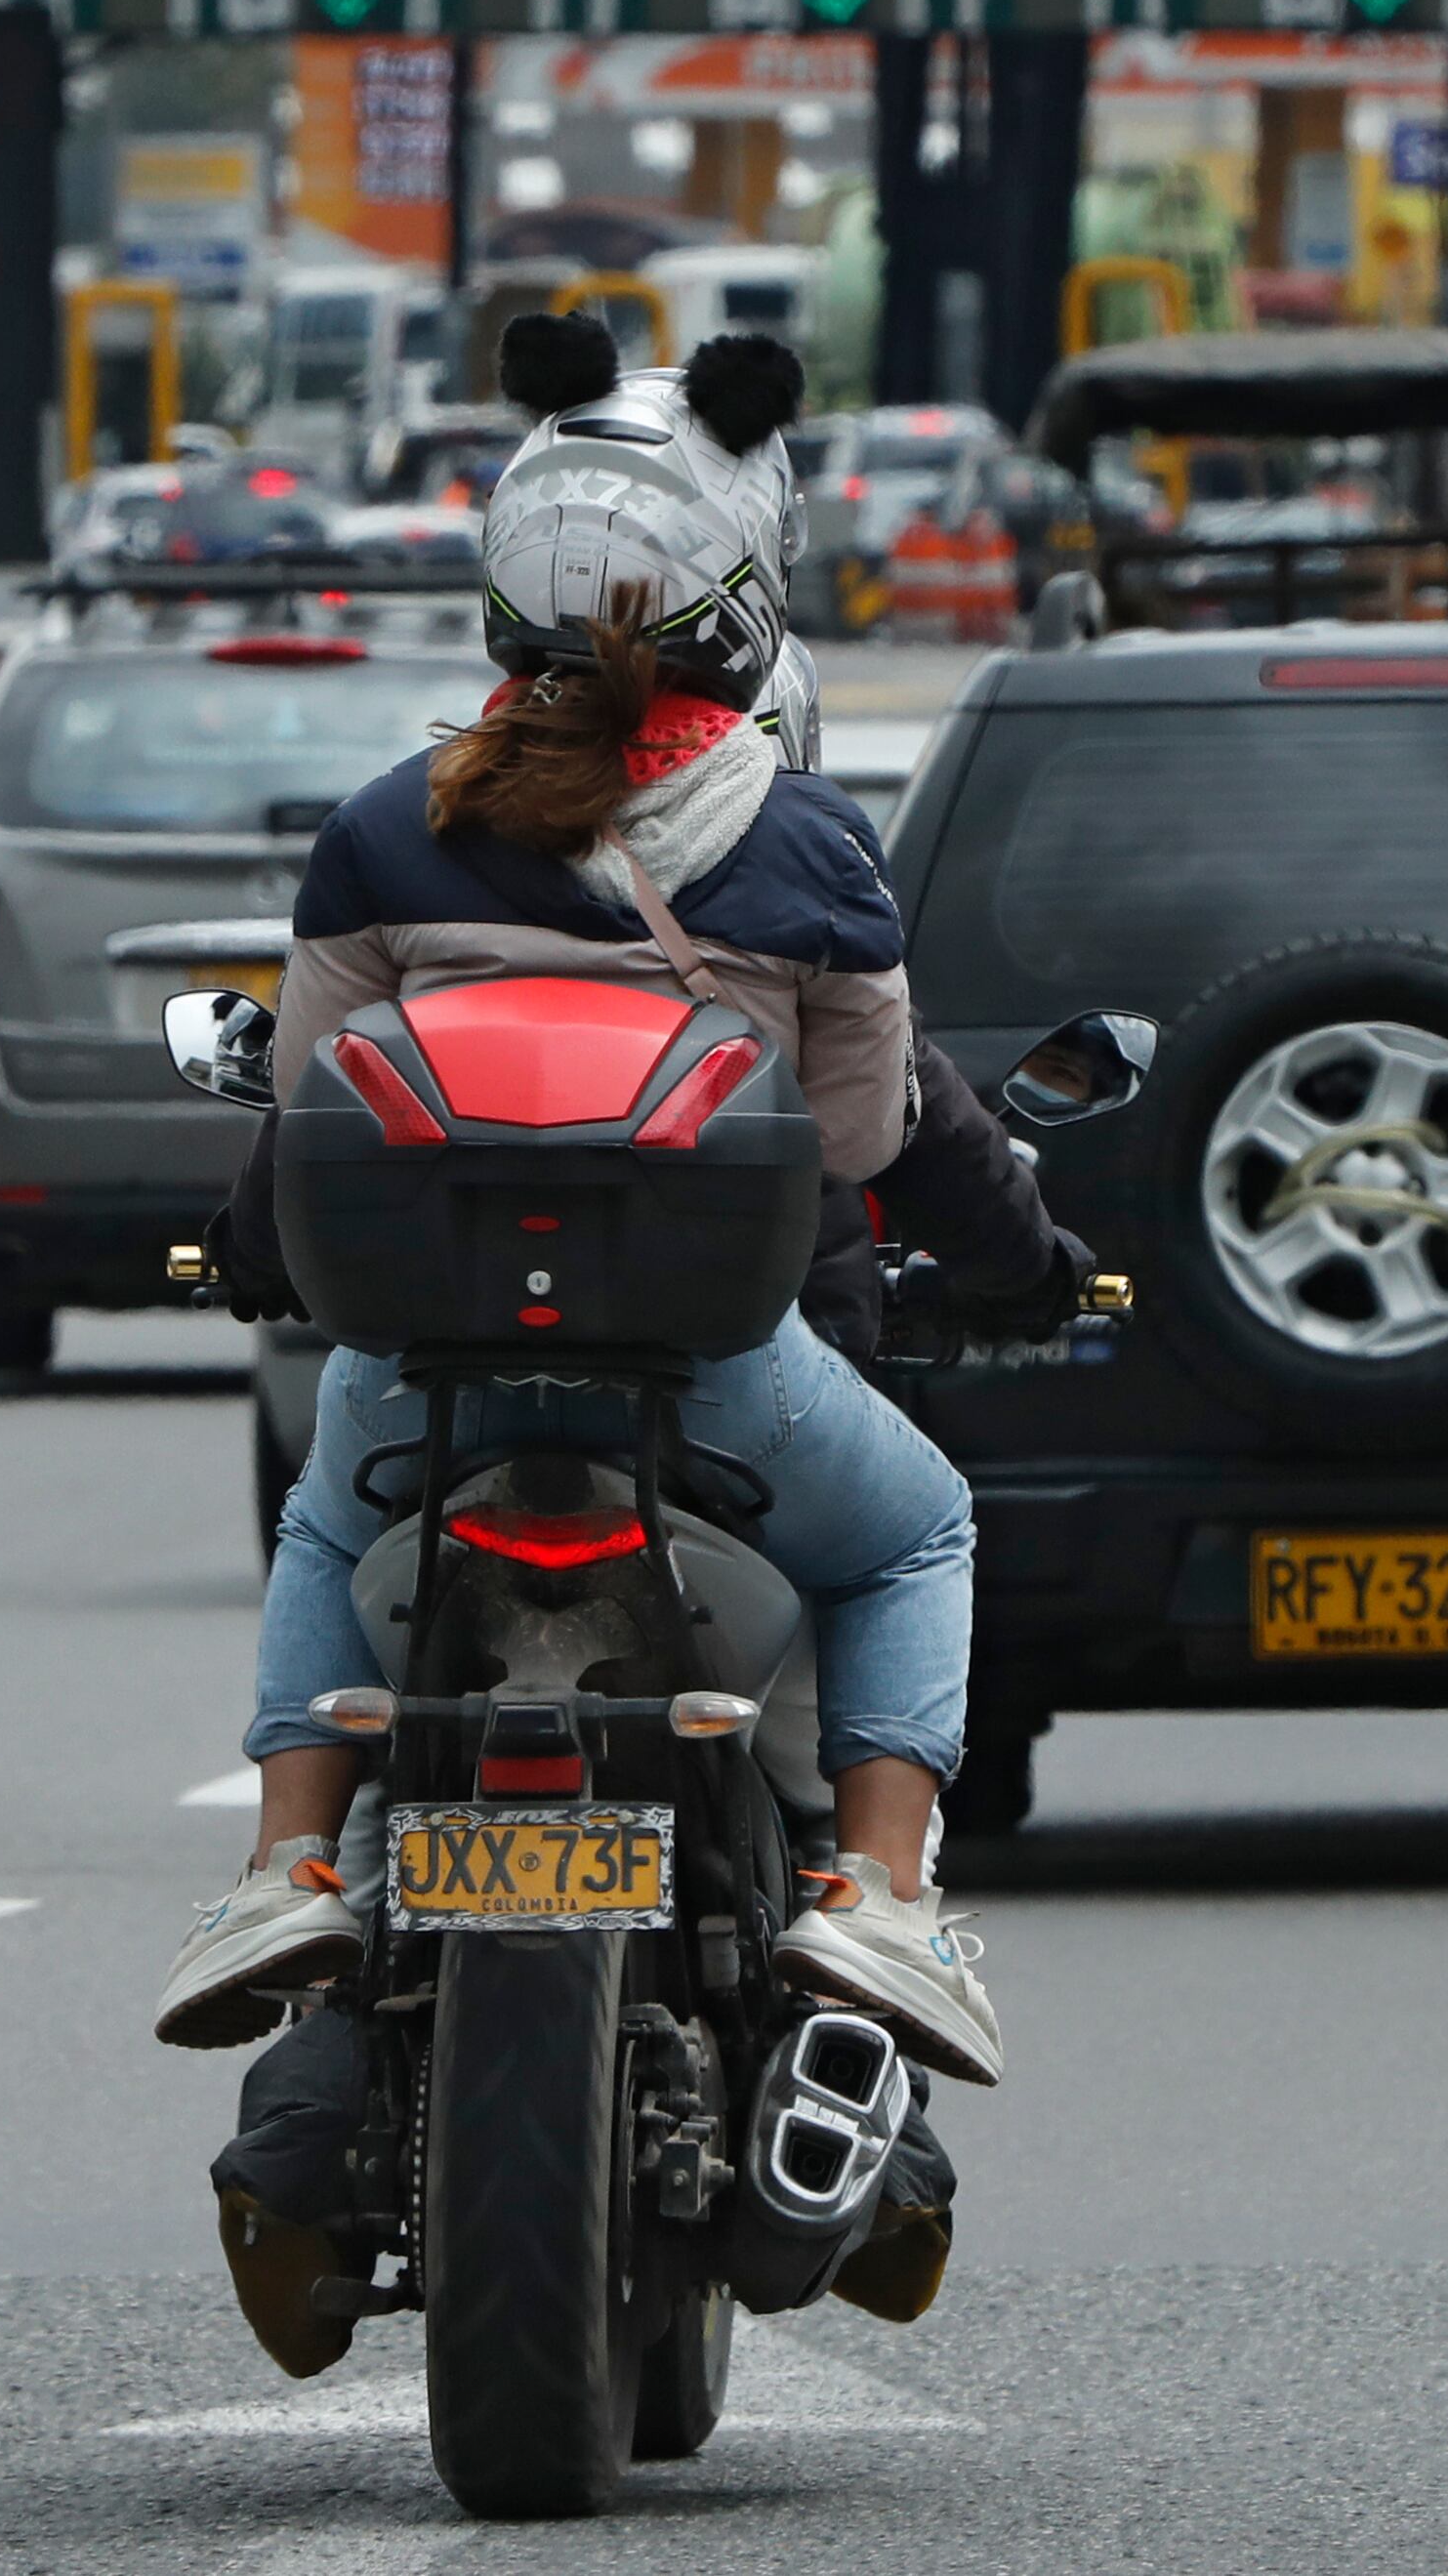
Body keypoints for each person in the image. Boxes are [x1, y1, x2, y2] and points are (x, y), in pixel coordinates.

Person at [148, 316, 1086, 2092]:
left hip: (429, 1380)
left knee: (329, 1531)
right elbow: (868, 1137)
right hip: (718, 1384)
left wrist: (254, 1259)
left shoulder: (383, 834)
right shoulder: (806, 851)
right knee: (919, 1531)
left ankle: (283, 1866)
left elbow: (307, 1111)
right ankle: (881, 1891)